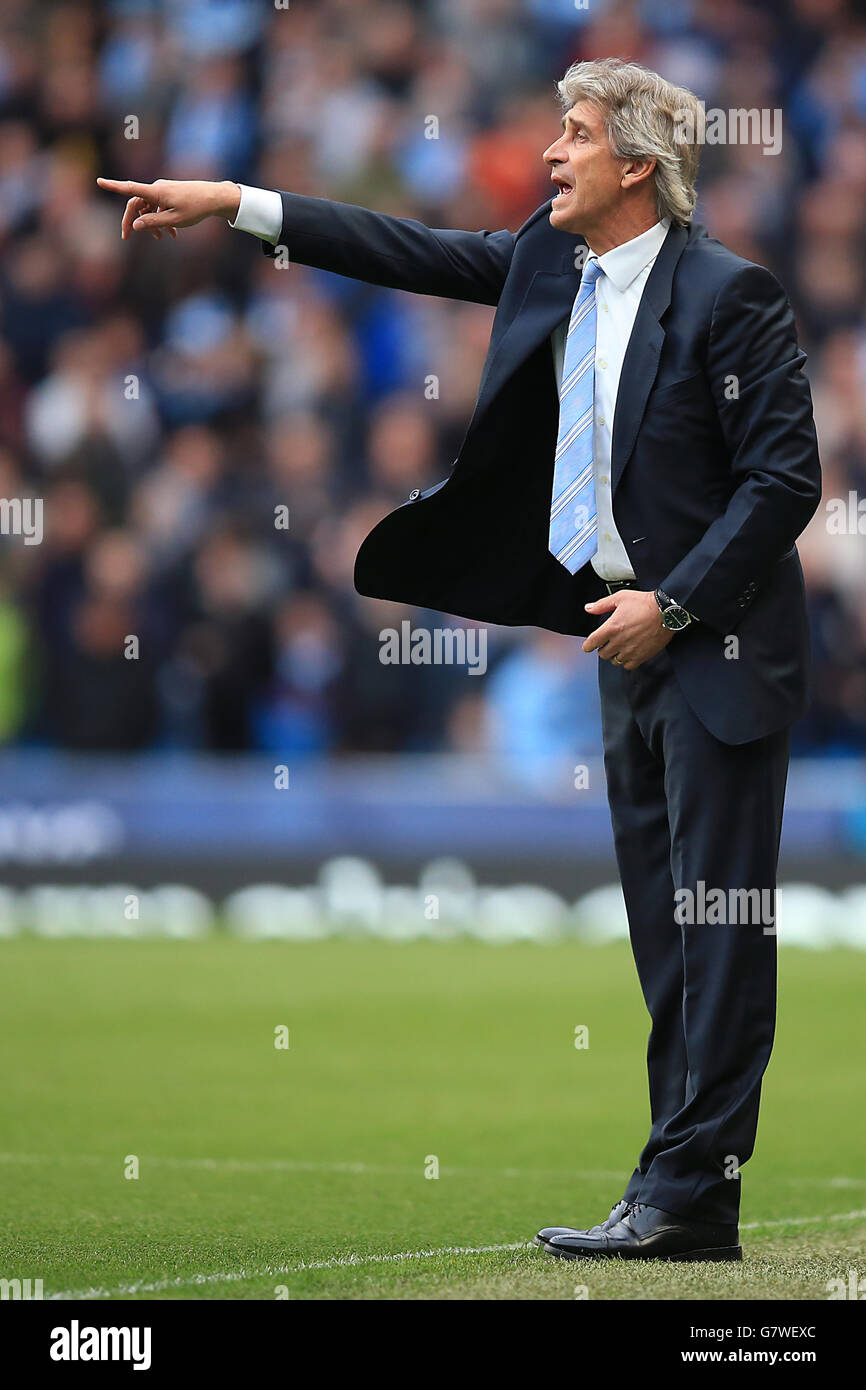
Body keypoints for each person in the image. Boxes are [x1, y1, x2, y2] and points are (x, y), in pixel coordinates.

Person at [98, 57, 821, 1263]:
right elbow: (407, 249)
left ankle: (689, 1193)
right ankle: (678, 1190)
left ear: (637, 165)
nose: (549, 154)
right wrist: (236, 201)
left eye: (576, 135)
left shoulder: (728, 297)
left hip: (715, 652)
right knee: (664, 939)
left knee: (717, 936)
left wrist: (677, 607)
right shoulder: (549, 258)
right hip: (618, 646)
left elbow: (782, 483)